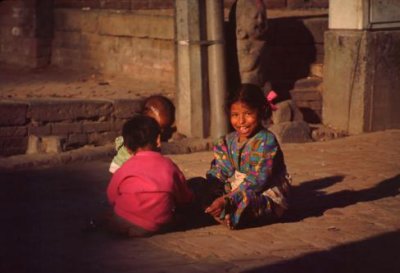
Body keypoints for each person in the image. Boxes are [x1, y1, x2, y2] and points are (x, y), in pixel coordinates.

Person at [202, 83, 291, 229]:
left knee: (245, 201)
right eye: (235, 115)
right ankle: (219, 211)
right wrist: (210, 188)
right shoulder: (227, 142)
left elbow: (257, 181)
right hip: (236, 191)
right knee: (197, 186)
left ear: (261, 111)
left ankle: (227, 213)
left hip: (264, 193)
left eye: (248, 114)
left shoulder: (267, 141)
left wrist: (227, 199)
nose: (241, 121)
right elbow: (219, 170)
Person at [106, 115, 193, 237]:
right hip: (156, 224)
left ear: (127, 148)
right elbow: (184, 197)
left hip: (123, 220)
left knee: (110, 217)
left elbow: (112, 195)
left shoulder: (126, 167)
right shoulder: (168, 165)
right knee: (180, 217)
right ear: (158, 140)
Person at [109, 95, 176, 173]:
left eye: (164, 129)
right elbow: (115, 169)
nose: (159, 140)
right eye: (157, 129)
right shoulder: (133, 143)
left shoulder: (153, 141)